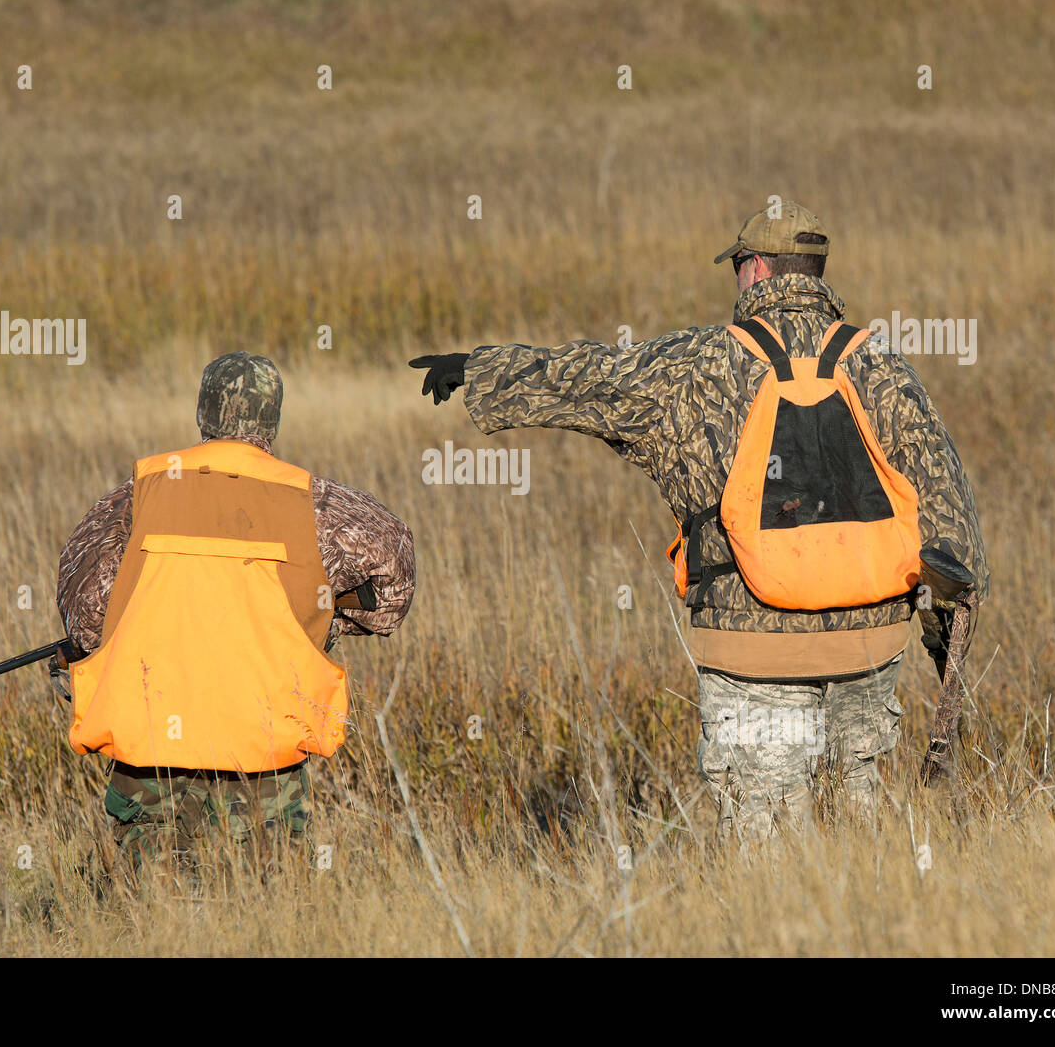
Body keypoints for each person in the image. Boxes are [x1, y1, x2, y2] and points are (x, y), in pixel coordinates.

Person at [410, 201, 987, 840]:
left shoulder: (701, 362)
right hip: (870, 647)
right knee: (865, 836)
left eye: (738, 264)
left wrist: (481, 368)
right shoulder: (881, 364)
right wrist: (943, 645)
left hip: (751, 650)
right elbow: (948, 517)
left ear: (757, 268)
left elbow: (594, 381)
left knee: (766, 849)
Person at [56, 352, 414, 868]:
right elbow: (394, 583)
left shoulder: (139, 494)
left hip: (152, 748)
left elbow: (87, 617)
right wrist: (326, 615)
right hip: (264, 748)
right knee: (264, 905)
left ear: (203, 413)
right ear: (273, 419)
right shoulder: (314, 503)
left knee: (151, 911)